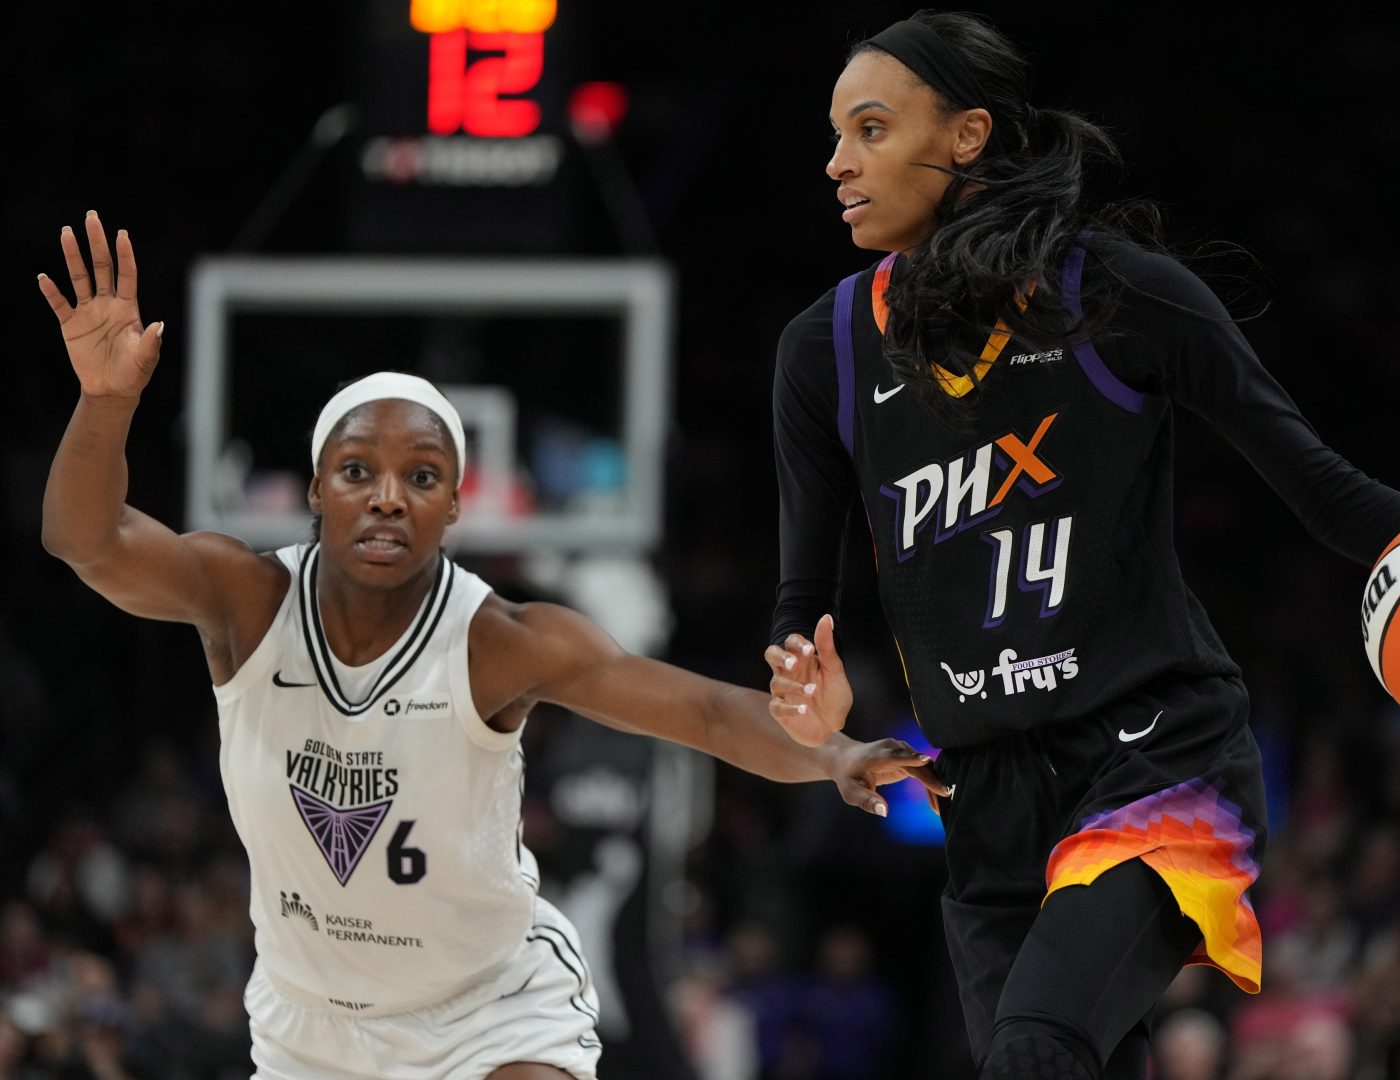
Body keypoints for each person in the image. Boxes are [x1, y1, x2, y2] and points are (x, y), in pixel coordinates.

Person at [761, 12, 1400, 1080]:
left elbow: (1324, 487)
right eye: (836, 135)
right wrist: (802, 680)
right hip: (982, 796)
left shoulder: (1109, 293)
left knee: (1035, 1048)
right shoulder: (824, 351)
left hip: (1151, 761)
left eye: (872, 129)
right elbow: (802, 595)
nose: (837, 163)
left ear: (968, 134)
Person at [38, 210, 947, 1080]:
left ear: (453, 506)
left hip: (489, 1003)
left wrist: (834, 752)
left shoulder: (497, 642)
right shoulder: (246, 600)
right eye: (356, 471)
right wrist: (105, 402)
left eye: (421, 476)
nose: (387, 496)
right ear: (315, 490)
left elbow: (703, 712)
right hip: (313, 1025)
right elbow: (88, 541)